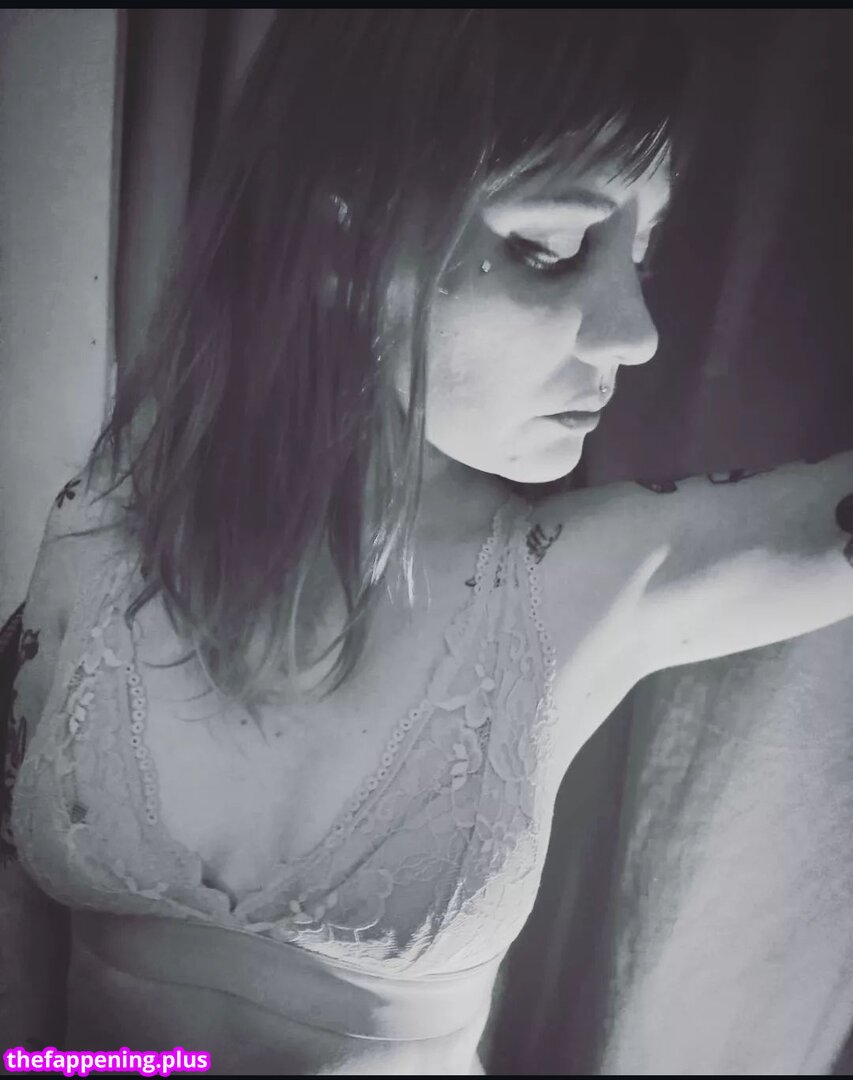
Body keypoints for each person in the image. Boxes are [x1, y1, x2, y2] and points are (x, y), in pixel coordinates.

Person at [2, 9, 852, 1076]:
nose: (635, 333)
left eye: (639, 256)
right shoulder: (105, 518)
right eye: (551, 250)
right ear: (341, 244)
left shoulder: (587, 581)